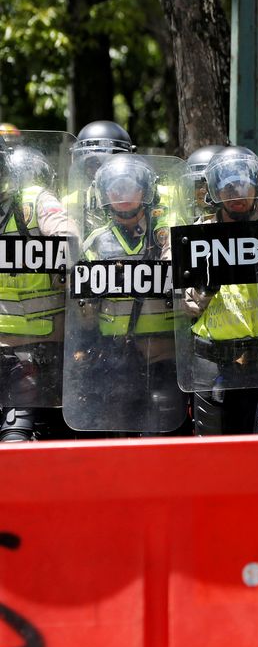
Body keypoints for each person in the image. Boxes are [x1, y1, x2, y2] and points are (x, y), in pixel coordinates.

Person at [70, 153, 185, 435]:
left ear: (144, 192)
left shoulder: (165, 233)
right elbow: (85, 318)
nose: (122, 195)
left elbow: (176, 263)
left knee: (166, 439)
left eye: (129, 187)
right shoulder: (95, 242)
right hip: (115, 360)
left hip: (165, 356)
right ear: (104, 194)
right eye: (115, 188)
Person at [180, 146, 258, 435]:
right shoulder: (195, 235)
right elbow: (183, 301)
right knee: (212, 459)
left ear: (257, 189)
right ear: (215, 192)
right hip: (210, 360)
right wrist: (199, 293)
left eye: (244, 185)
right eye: (228, 187)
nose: (237, 195)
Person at [0, 144, 79, 441]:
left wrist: (63, 271)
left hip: (38, 347)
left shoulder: (32, 200)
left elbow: (67, 235)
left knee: (20, 440)